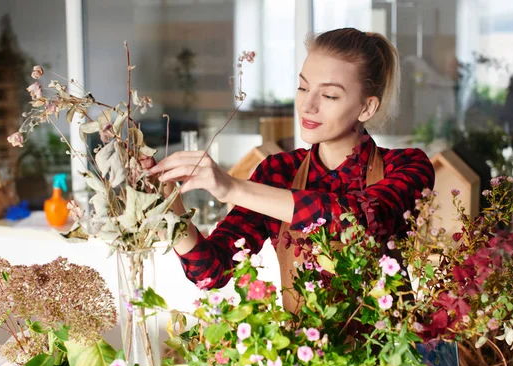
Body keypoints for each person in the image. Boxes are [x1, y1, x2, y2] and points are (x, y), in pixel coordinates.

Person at [149, 27, 435, 309]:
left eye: (330, 96)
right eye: (303, 87)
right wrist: (170, 208)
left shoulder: (408, 166)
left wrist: (232, 187)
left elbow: (357, 218)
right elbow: (211, 272)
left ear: (367, 108)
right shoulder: (279, 172)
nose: (307, 105)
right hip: (300, 352)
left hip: (390, 353)